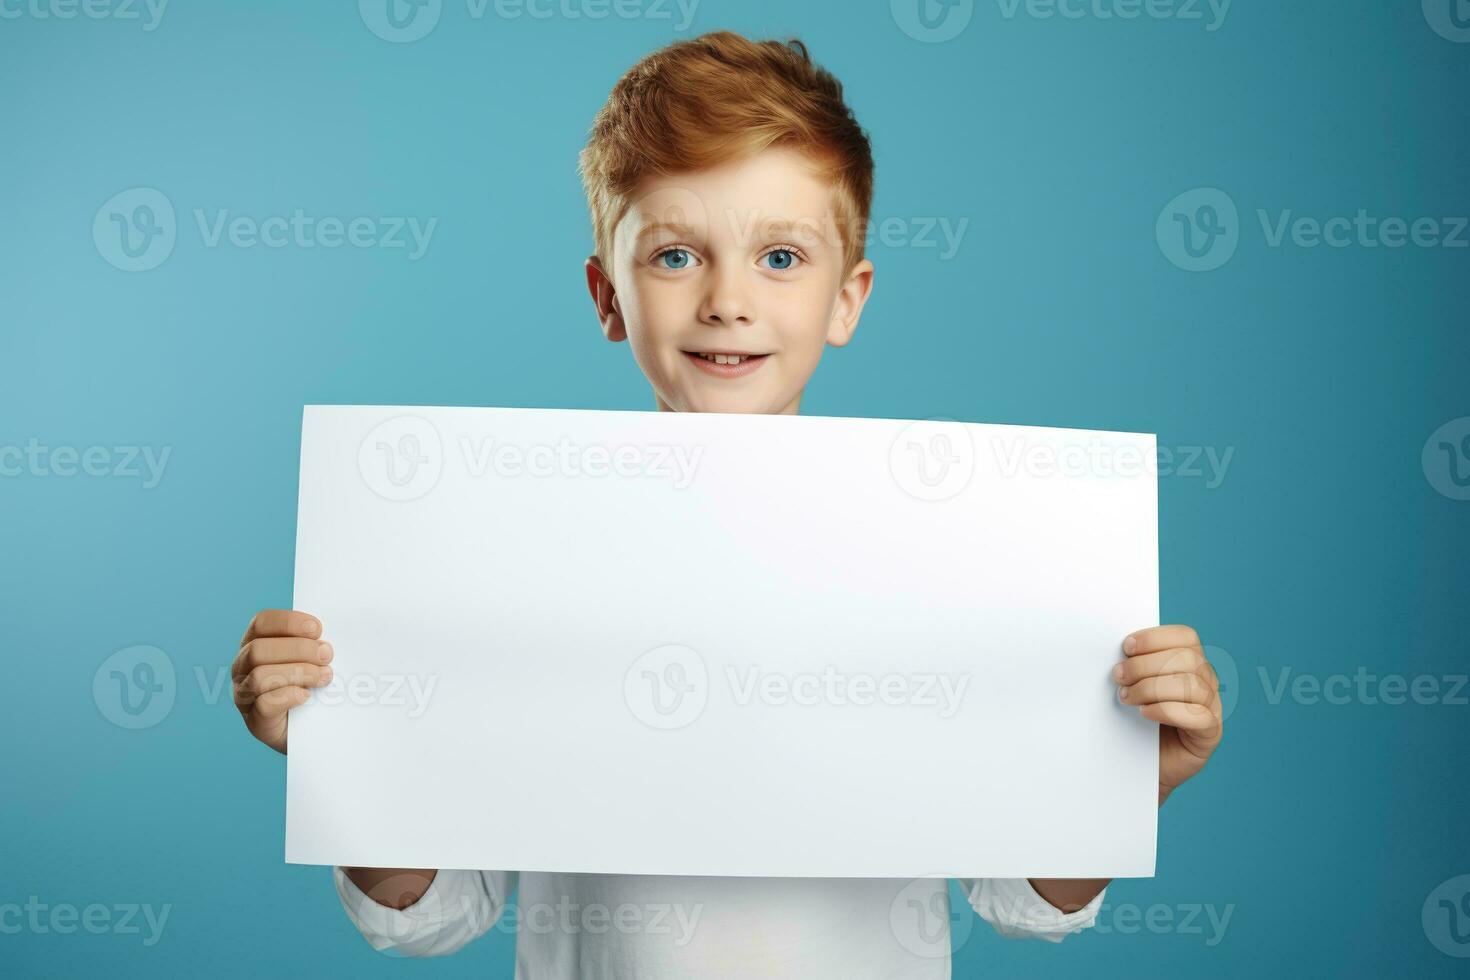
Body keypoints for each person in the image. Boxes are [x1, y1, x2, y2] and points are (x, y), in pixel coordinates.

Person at [230, 30, 1224, 978]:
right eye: (675, 255)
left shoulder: (934, 551)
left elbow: (1025, 893)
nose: (727, 301)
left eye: (781, 257)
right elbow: (437, 907)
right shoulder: (522, 548)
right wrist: (339, 747)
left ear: (849, 296)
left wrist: (1140, 774)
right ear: (607, 295)